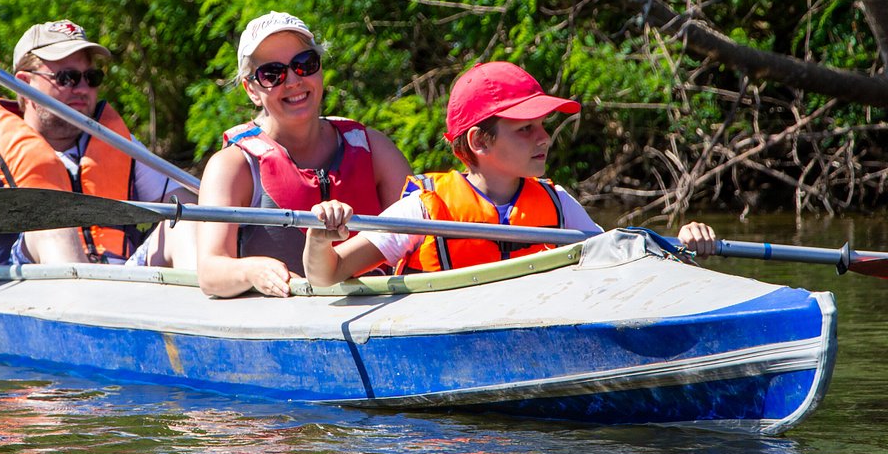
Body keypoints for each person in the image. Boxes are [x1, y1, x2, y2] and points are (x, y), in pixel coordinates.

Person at [303, 61, 717, 286]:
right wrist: (320, 235)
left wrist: (681, 247)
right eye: (526, 129)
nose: (545, 137)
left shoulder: (557, 204)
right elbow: (328, 274)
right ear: (480, 142)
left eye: (543, 125)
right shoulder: (424, 210)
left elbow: (619, 261)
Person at [0, 19, 195, 267]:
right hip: (29, 285)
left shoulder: (119, 144)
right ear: (24, 83)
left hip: (121, 282)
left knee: (189, 223)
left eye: (91, 77)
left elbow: (186, 203)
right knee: (53, 223)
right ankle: (84, 319)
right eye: (66, 78)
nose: (83, 89)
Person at [192, 12, 413, 298]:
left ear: (319, 69)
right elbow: (210, 271)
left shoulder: (373, 148)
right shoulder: (233, 166)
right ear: (252, 90)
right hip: (285, 323)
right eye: (272, 73)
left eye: (304, 64)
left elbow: (422, 231)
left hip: (381, 313)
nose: (294, 81)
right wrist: (251, 270)